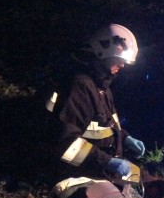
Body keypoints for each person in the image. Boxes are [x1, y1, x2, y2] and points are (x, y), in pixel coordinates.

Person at [55, 24, 146, 181]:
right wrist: (107, 162)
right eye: (119, 60)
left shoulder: (101, 86)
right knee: (149, 194)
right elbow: (66, 142)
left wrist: (124, 138)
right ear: (104, 53)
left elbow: (105, 125)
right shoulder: (81, 86)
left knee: (155, 184)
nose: (122, 66)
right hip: (85, 174)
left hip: (105, 168)